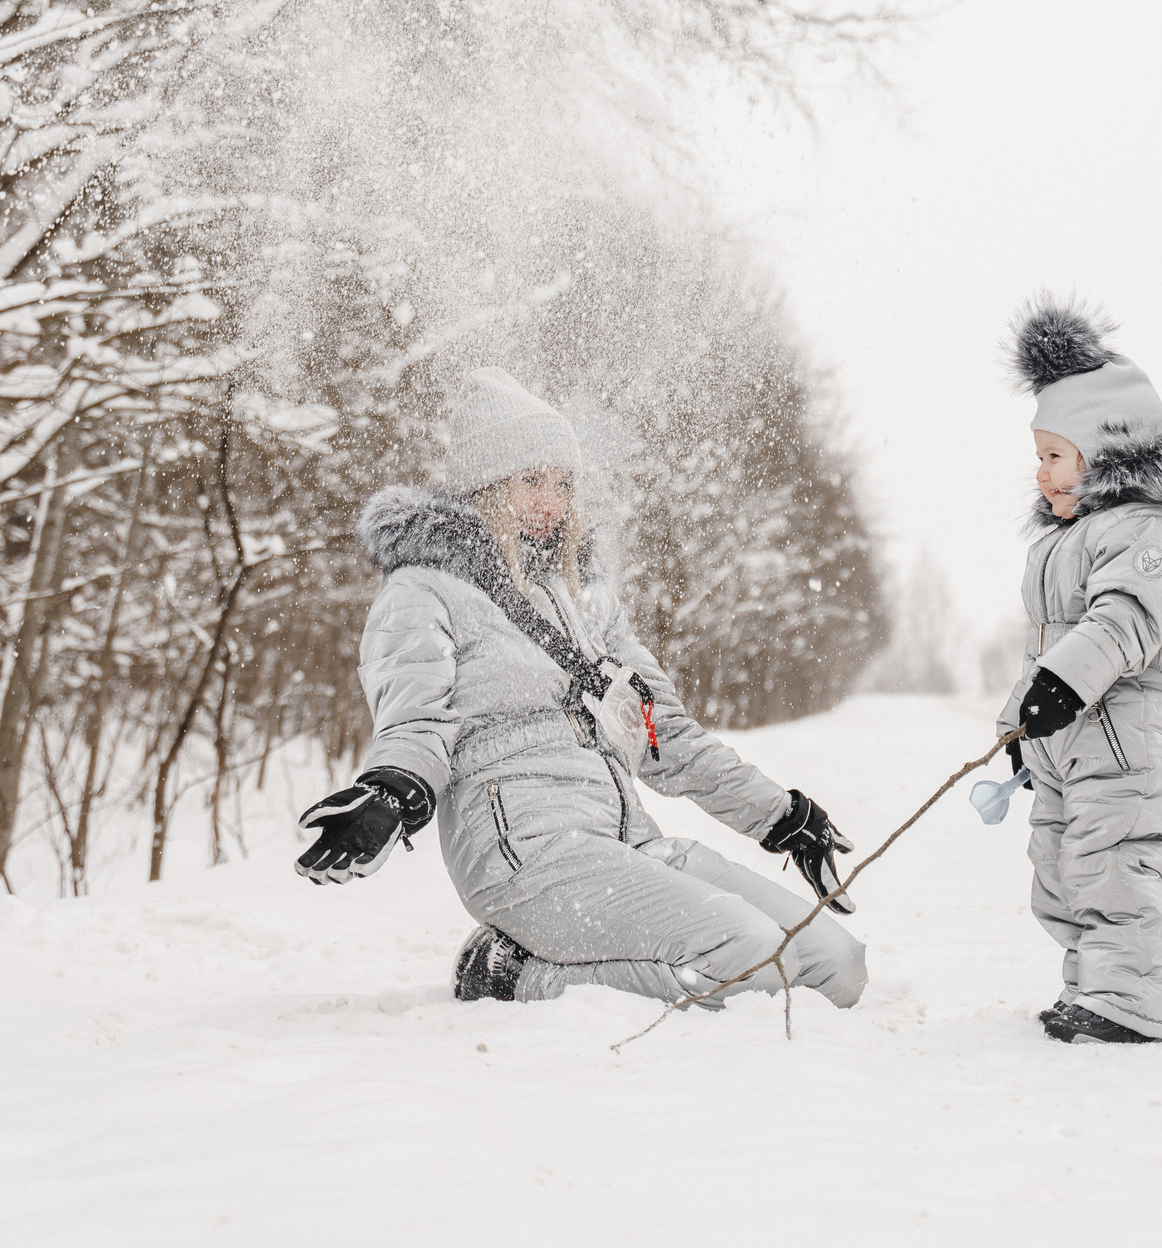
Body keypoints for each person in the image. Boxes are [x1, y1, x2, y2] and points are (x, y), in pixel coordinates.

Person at [294, 367, 867, 1011]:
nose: (552, 501)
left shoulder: (586, 604)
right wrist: (390, 791)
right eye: (531, 481)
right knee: (746, 953)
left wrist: (782, 817)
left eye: (564, 483)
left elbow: (665, 738)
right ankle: (513, 974)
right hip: (525, 852)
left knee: (837, 965)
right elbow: (417, 719)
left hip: (630, 843)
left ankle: (596, 967)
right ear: (487, 487)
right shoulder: (423, 590)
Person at [1000, 301, 1162, 1045]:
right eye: (1038, 455)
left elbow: (1123, 621)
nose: (1041, 473)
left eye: (1055, 454)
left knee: (1115, 864)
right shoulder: (1066, 541)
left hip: (1133, 732)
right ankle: (1094, 989)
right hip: (1073, 741)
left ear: (1104, 450)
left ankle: (1135, 1005)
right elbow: (1050, 645)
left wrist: (1061, 686)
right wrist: (1021, 718)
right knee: (1061, 870)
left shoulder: (1156, 532)